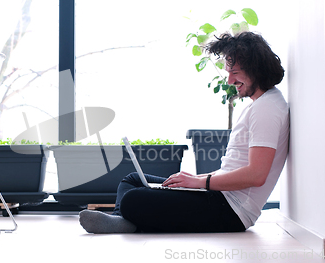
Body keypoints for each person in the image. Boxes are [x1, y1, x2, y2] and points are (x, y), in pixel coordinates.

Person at [79, 31, 289, 233]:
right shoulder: (261, 104)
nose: (229, 81)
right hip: (219, 196)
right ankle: (123, 221)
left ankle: (127, 219)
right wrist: (196, 179)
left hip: (231, 210)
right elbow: (233, 167)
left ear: (255, 68)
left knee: (133, 199)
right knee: (133, 180)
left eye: (234, 73)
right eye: (228, 73)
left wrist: (200, 183)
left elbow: (256, 175)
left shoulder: (267, 109)